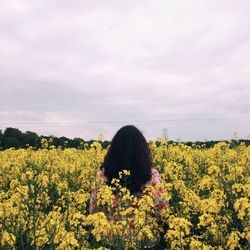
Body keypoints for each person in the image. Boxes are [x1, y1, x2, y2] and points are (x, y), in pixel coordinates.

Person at [89, 125, 168, 247]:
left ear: (114, 150)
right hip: (145, 242)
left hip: (112, 241)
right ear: (142, 150)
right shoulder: (152, 176)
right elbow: (162, 213)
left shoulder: (102, 175)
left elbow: (94, 210)